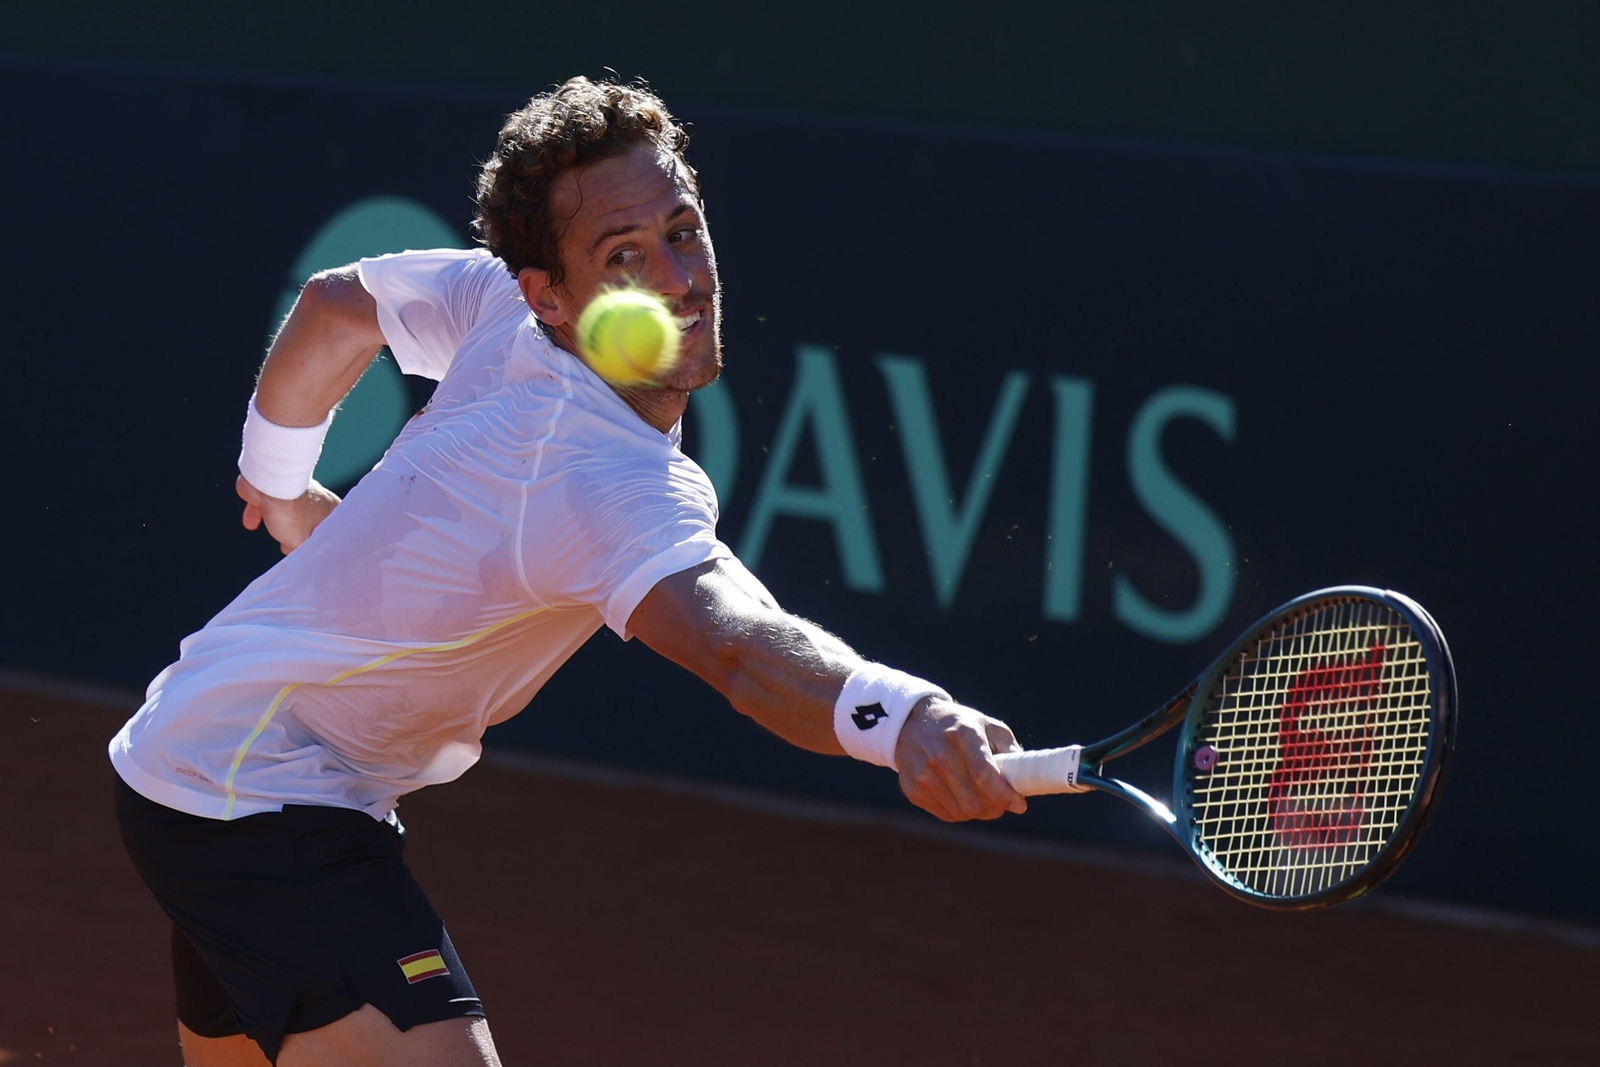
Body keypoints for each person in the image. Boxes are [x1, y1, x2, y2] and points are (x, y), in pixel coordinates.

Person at [110, 75, 1028, 1067]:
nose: (678, 277)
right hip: (257, 796)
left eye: (682, 230)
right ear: (550, 294)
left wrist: (278, 483)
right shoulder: (601, 475)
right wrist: (903, 717)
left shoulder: (498, 304)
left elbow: (337, 306)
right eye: (623, 257)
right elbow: (739, 648)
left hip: (216, 760)